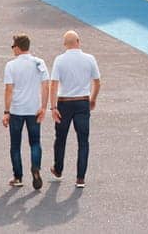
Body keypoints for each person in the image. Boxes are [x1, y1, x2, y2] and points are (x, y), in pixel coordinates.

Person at [47, 30, 102, 189]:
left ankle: (58, 169)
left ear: (65, 44)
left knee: (60, 138)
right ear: (79, 41)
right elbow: (97, 82)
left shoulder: (60, 60)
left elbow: (54, 84)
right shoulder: (89, 59)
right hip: (82, 102)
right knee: (83, 141)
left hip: (64, 102)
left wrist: (53, 106)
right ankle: (80, 178)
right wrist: (93, 99)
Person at [2, 33, 49, 190]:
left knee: (15, 145)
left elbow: (9, 89)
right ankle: (36, 167)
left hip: (16, 110)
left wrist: (6, 111)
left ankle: (18, 177)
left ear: (18, 47)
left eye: (13, 46)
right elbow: (45, 85)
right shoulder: (39, 63)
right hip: (33, 109)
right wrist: (43, 107)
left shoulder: (11, 65)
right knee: (35, 142)